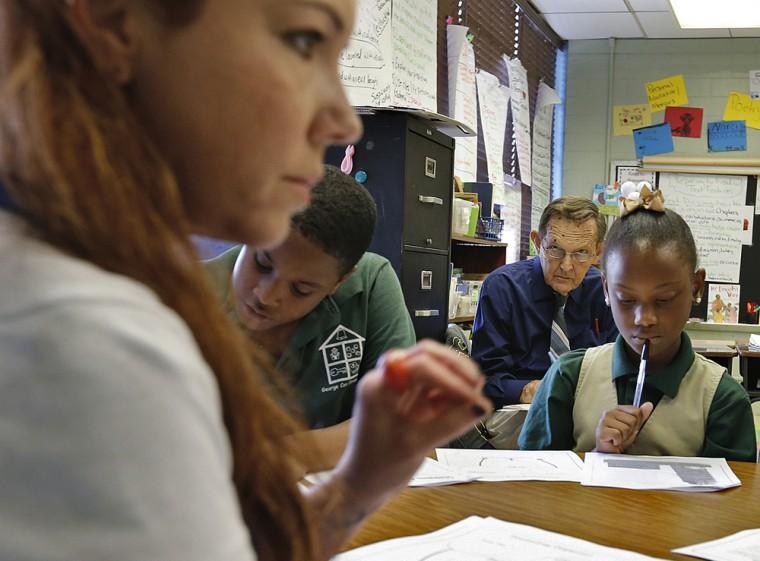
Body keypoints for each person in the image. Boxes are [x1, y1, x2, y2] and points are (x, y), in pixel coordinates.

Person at [0, 2, 492, 561]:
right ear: (112, 21)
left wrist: (361, 482)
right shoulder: (80, 332)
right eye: (305, 42)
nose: (344, 120)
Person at [204, 165, 416, 470]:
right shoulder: (186, 295)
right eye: (263, 264)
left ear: (339, 282)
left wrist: (280, 456)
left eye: (300, 289)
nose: (266, 296)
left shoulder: (370, 284)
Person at [519, 189, 757, 461]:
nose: (644, 318)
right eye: (627, 299)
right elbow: (532, 485)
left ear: (695, 287)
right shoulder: (568, 378)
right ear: (606, 290)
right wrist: (597, 456)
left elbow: (733, 502)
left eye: (664, 299)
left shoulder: (722, 399)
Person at [471, 197, 618, 407]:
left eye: (581, 253)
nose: (567, 266)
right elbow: (483, 379)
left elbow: (620, 365)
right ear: (538, 242)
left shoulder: (606, 292)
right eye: (555, 250)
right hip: (521, 413)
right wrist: (527, 391)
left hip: (589, 411)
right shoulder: (502, 288)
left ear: (598, 252)